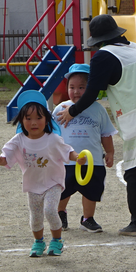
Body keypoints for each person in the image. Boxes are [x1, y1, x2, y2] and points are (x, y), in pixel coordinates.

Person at [57, 15, 136, 235]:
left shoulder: (102, 57)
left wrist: (72, 111)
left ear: (98, 41)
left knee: (135, 170)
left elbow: (92, 92)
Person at [0, 91, 84, 257]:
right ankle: (39, 242)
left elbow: (67, 151)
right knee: (35, 217)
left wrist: (77, 157)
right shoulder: (19, 139)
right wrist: (2, 159)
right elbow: (7, 152)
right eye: (28, 119)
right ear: (21, 120)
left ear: (47, 119)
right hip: (33, 185)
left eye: (38, 118)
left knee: (50, 210)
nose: (34, 123)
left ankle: (57, 240)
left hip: (53, 182)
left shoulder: (52, 139)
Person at [52, 64, 117, 233]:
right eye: (72, 87)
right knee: (63, 189)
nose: (76, 91)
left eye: (82, 87)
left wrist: (109, 152)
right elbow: (52, 134)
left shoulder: (98, 110)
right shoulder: (60, 109)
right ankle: (60, 213)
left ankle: (88, 218)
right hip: (66, 160)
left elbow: (106, 134)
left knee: (91, 191)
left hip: (92, 160)